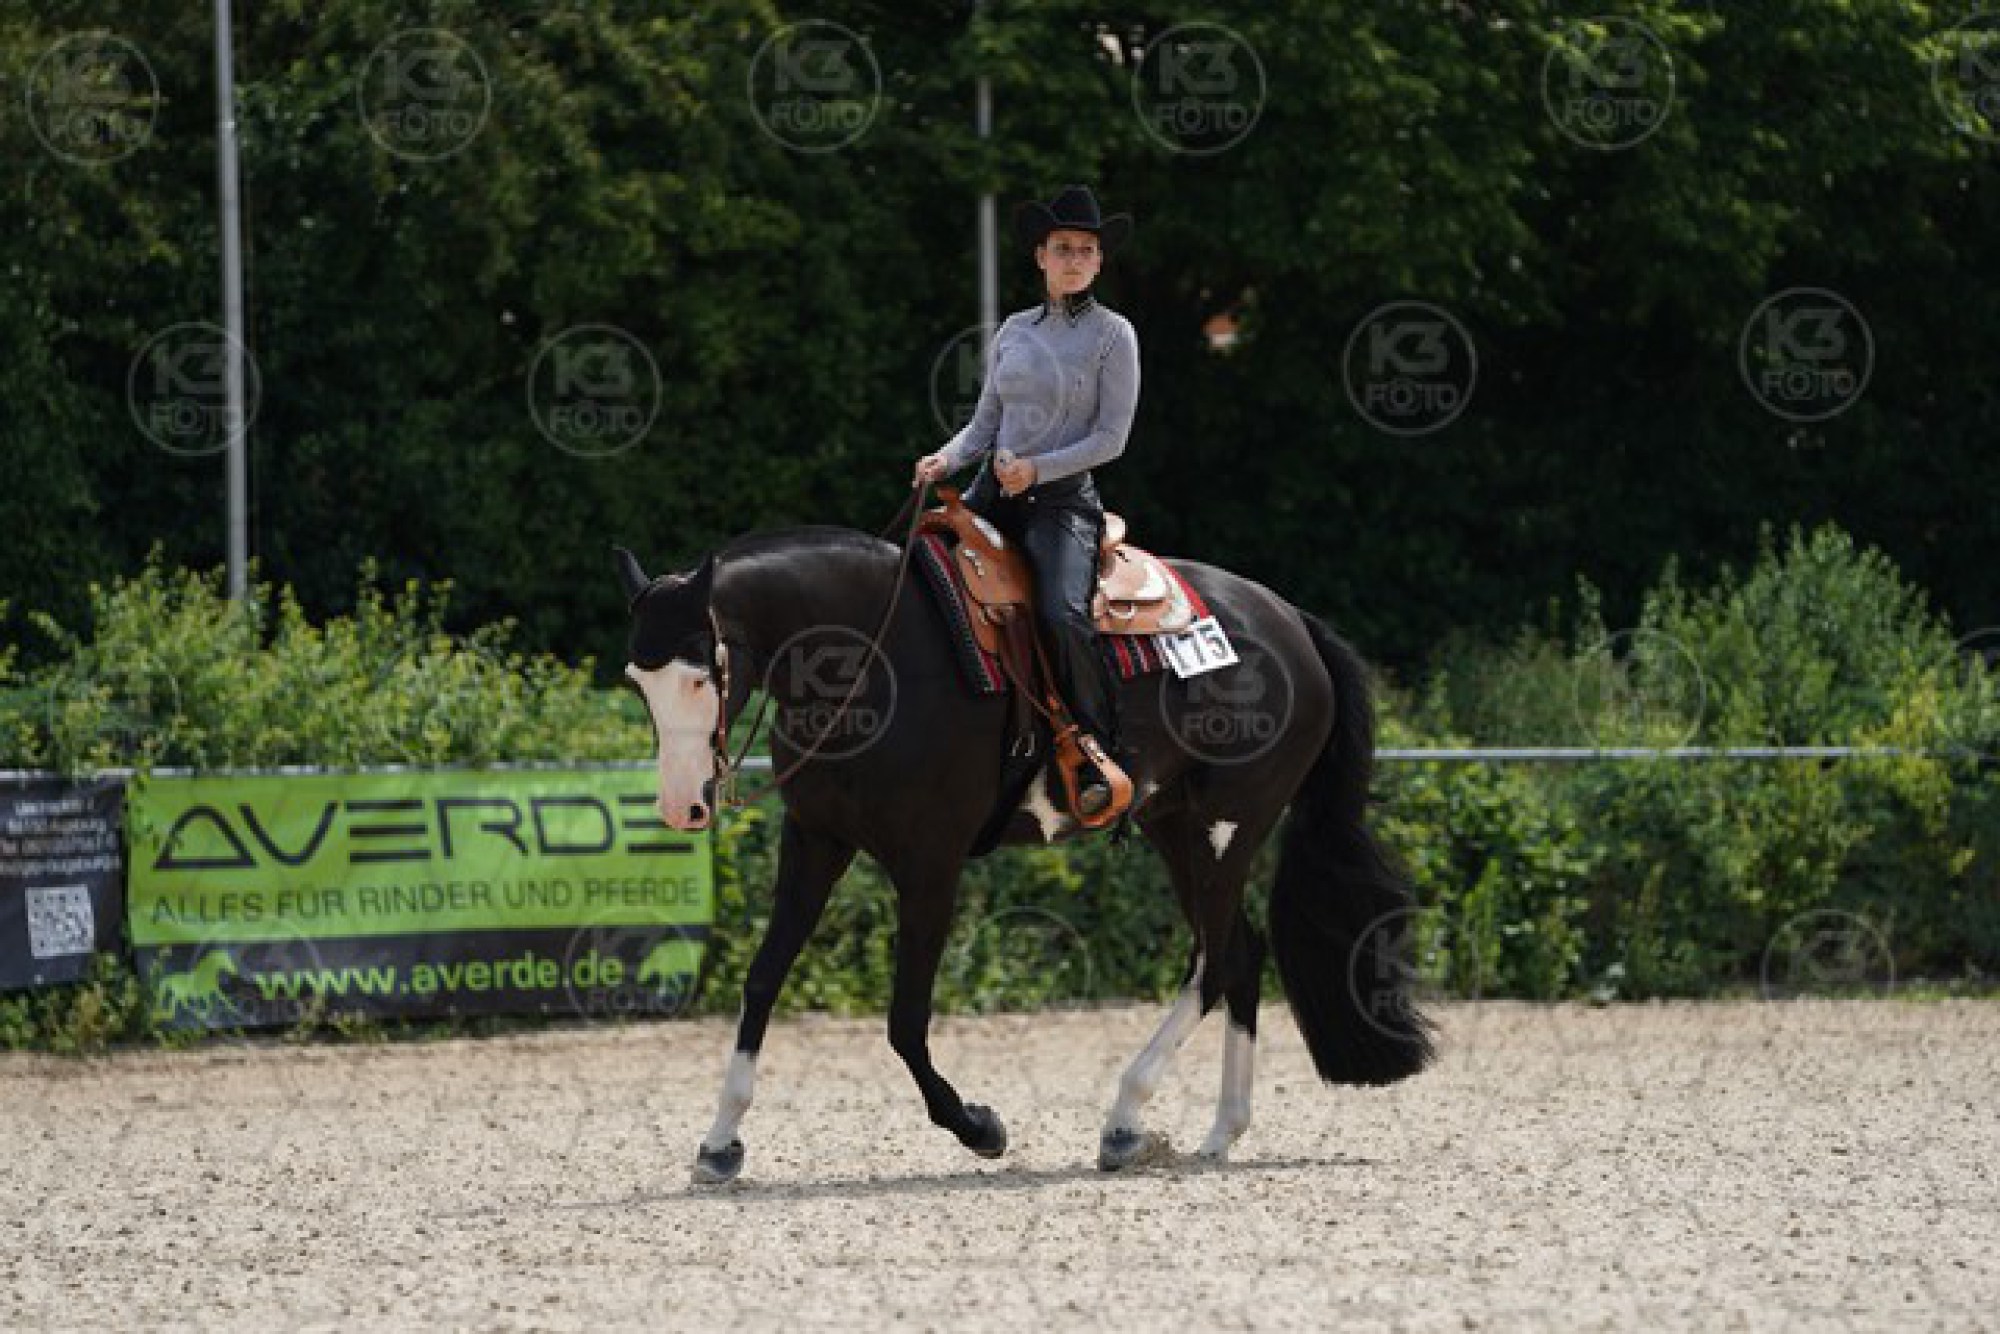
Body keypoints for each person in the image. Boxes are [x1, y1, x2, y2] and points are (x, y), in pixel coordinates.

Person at [913, 185, 1140, 819]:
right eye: (1063, 248)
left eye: (1087, 251)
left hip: (1061, 503)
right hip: (991, 493)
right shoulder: (1013, 331)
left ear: (1099, 261)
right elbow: (985, 424)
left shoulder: (1114, 335)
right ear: (1041, 256)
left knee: (1062, 614)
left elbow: (1112, 439)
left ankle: (1093, 747)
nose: (1075, 260)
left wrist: (1038, 469)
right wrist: (945, 459)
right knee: (917, 570)